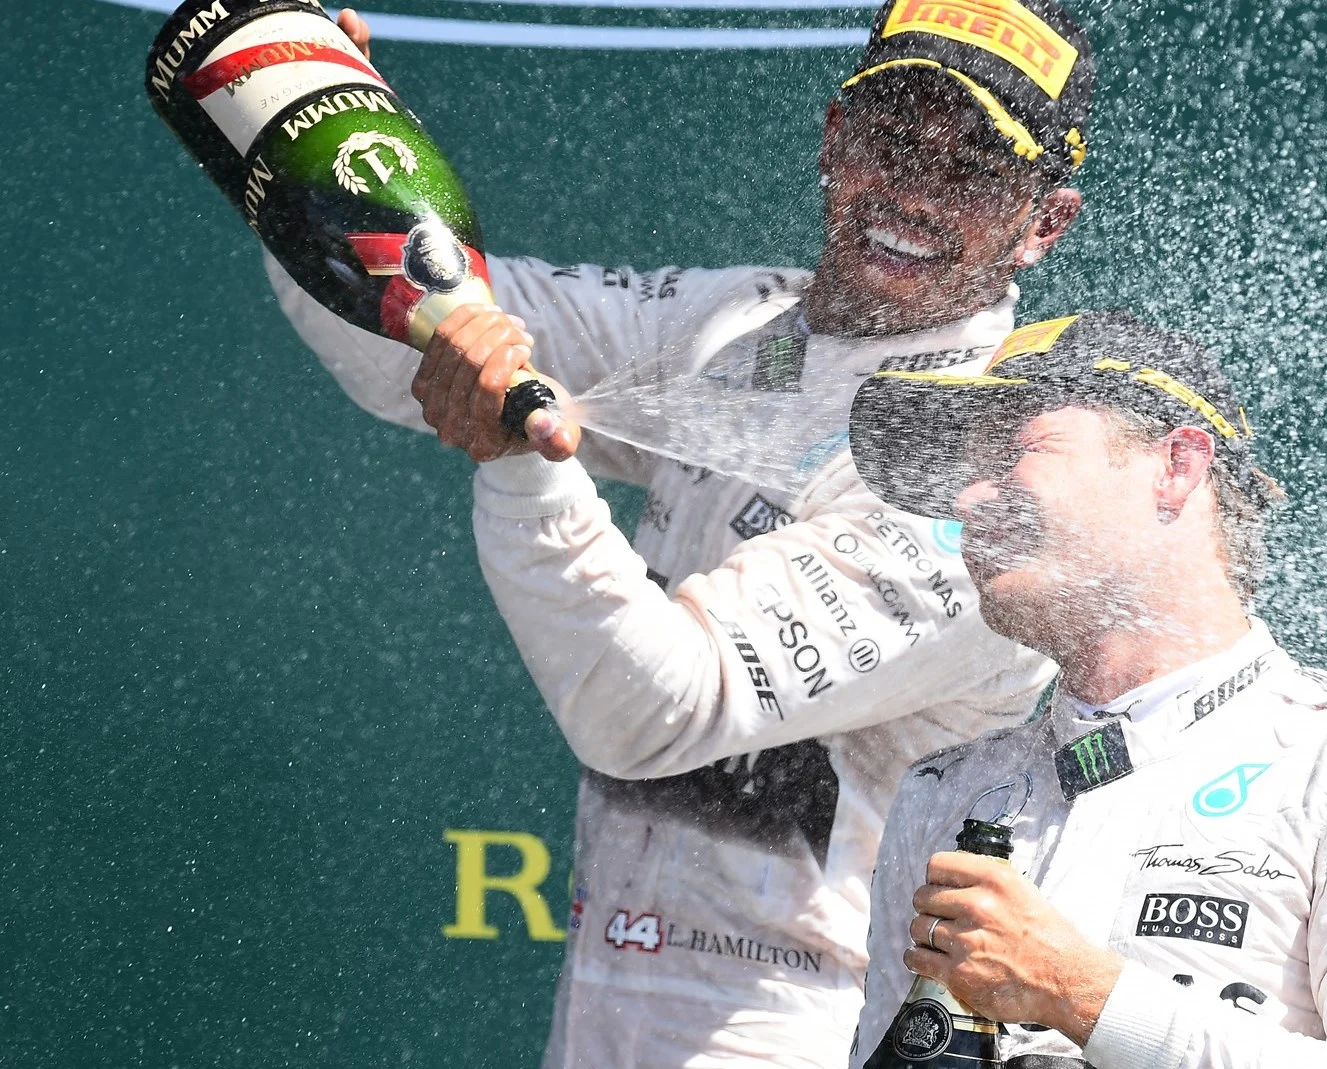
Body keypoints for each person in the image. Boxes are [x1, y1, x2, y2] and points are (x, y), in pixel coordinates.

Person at [263, 2, 1097, 1066]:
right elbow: (406, 341)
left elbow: (650, 707)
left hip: (811, 1029)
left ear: (1044, 223)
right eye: (893, 138)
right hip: (609, 1009)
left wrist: (522, 449)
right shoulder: (734, 329)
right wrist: (318, 159)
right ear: (835, 138)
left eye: (974, 170)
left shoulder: (989, 470)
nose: (915, 194)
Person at [845, 311, 1327, 1069]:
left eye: (1015, 448)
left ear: (1178, 467)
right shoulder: (947, 790)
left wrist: (1080, 991)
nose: (967, 500)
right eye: (966, 468)